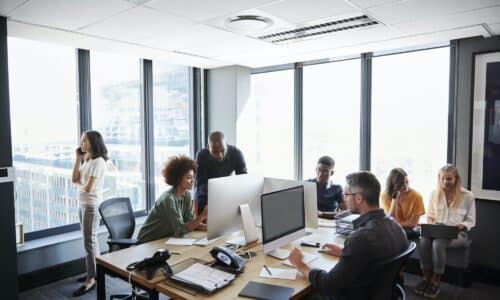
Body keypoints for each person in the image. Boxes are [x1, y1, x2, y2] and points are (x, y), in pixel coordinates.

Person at [289, 171, 408, 300]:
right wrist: (344, 253)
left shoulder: (361, 238)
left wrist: (300, 265)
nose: (344, 198)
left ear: (358, 198)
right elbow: (376, 259)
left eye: (346, 194)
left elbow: (328, 284)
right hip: (383, 294)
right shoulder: (397, 227)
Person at [414, 165, 476, 298]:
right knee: (424, 240)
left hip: (458, 234)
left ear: (456, 179)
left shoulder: (468, 196)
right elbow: (430, 215)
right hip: (437, 230)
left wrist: (455, 228)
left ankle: (436, 281)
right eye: (442, 179)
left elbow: (470, 222)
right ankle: (426, 278)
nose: (445, 182)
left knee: (438, 243)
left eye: (449, 179)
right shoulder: (433, 194)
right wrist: (431, 225)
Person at [137, 155, 207, 243]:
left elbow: (191, 223)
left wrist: (210, 227)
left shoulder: (187, 196)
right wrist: (202, 216)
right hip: (147, 242)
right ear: (178, 179)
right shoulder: (169, 199)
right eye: (188, 178)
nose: (193, 181)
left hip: (164, 240)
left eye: (193, 177)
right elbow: (180, 230)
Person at [71, 131, 108, 297]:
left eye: (84, 141)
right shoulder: (87, 160)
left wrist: (80, 184)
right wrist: (78, 159)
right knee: (91, 242)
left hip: (91, 206)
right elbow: (74, 179)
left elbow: (88, 188)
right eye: (81, 141)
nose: (82, 143)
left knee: (89, 243)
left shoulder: (99, 162)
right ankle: (95, 272)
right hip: (83, 204)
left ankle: (91, 279)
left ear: (93, 142)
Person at [194, 131, 247, 214]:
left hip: (226, 190)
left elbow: (243, 180)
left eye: (222, 150)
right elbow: (201, 184)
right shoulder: (202, 156)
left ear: (227, 145)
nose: (219, 155)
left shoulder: (236, 153)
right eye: (214, 152)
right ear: (208, 147)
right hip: (205, 192)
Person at [380, 168, 425, 239]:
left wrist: (395, 223)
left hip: (410, 230)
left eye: (407, 182)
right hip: (393, 229)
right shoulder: (385, 196)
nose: (406, 186)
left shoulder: (417, 196)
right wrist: (395, 198)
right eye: (401, 184)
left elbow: (412, 223)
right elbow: (391, 219)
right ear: (394, 184)